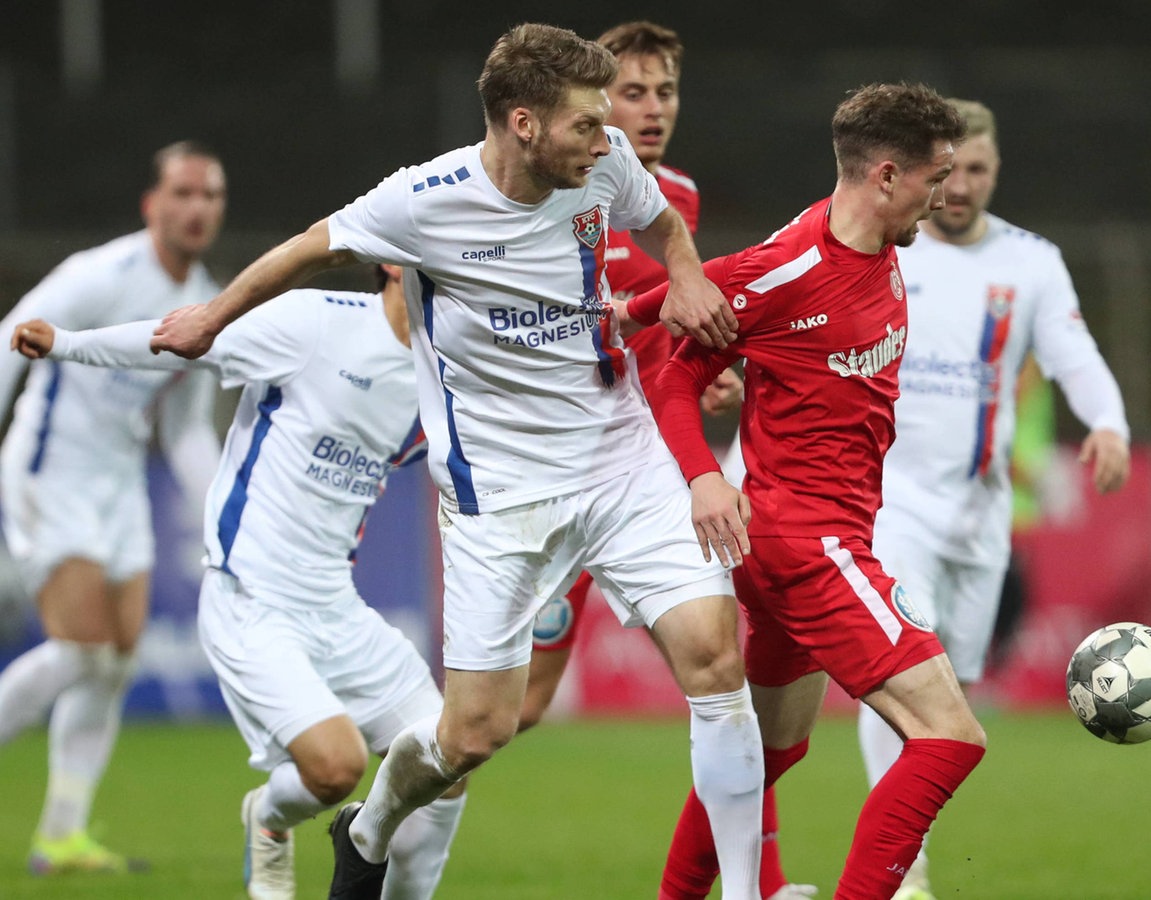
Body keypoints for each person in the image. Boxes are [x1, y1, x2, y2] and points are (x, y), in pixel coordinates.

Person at [148, 23, 764, 900]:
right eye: (585, 124)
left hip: (616, 455)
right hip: (498, 492)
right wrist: (212, 316)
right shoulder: (421, 199)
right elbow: (311, 246)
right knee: (472, 735)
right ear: (522, 123)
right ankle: (369, 827)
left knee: (714, 657)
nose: (608, 138)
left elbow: (660, 218)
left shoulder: (606, 160)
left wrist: (689, 270)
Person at [625, 82, 983, 900]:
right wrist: (706, 476)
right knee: (949, 737)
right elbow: (677, 380)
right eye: (936, 178)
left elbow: (703, 287)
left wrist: (633, 307)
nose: (946, 195)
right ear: (886, 177)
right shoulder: (795, 266)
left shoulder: (876, 248)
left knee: (774, 749)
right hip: (806, 544)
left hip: (807, 541)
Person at [11, 265, 467, 899]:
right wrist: (65, 343)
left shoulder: (441, 377)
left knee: (448, 759)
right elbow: (183, 340)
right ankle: (269, 817)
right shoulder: (316, 321)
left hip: (337, 606)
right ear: (393, 261)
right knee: (337, 769)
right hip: (251, 601)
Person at [508, 22, 805, 900]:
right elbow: (588, 316)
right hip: (550, 468)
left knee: (720, 678)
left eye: (663, 92)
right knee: (509, 712)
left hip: (642, 468)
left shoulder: (672, 195)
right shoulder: (547, 186)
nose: (649, 110)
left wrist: (697, 371)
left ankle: (760, 881)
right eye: (631, 94)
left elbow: (665, 314)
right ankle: (388, 783)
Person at [860, 98, 1131, 900]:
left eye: (976, 170)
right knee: (906, 680)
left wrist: (1109, 422)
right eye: (947, 170)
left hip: (981, 513)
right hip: (892, 501)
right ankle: (901, 867)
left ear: (995, 169)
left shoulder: (1032, 261)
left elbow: (1072, 352)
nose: (959, 186)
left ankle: (908, 841)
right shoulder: (885, 247)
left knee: (955, 699)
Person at [0, 141, 226, 875]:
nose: (197, 208)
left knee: (115, 660)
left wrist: (223, 509)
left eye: (210, 196)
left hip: (120, 480)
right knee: (83, 646)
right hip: (49, 469)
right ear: (152, 205)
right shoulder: (98, 274)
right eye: (184, 194)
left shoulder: (207, 303)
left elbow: (187, 426)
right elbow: (12, 343)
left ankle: (61, 835)